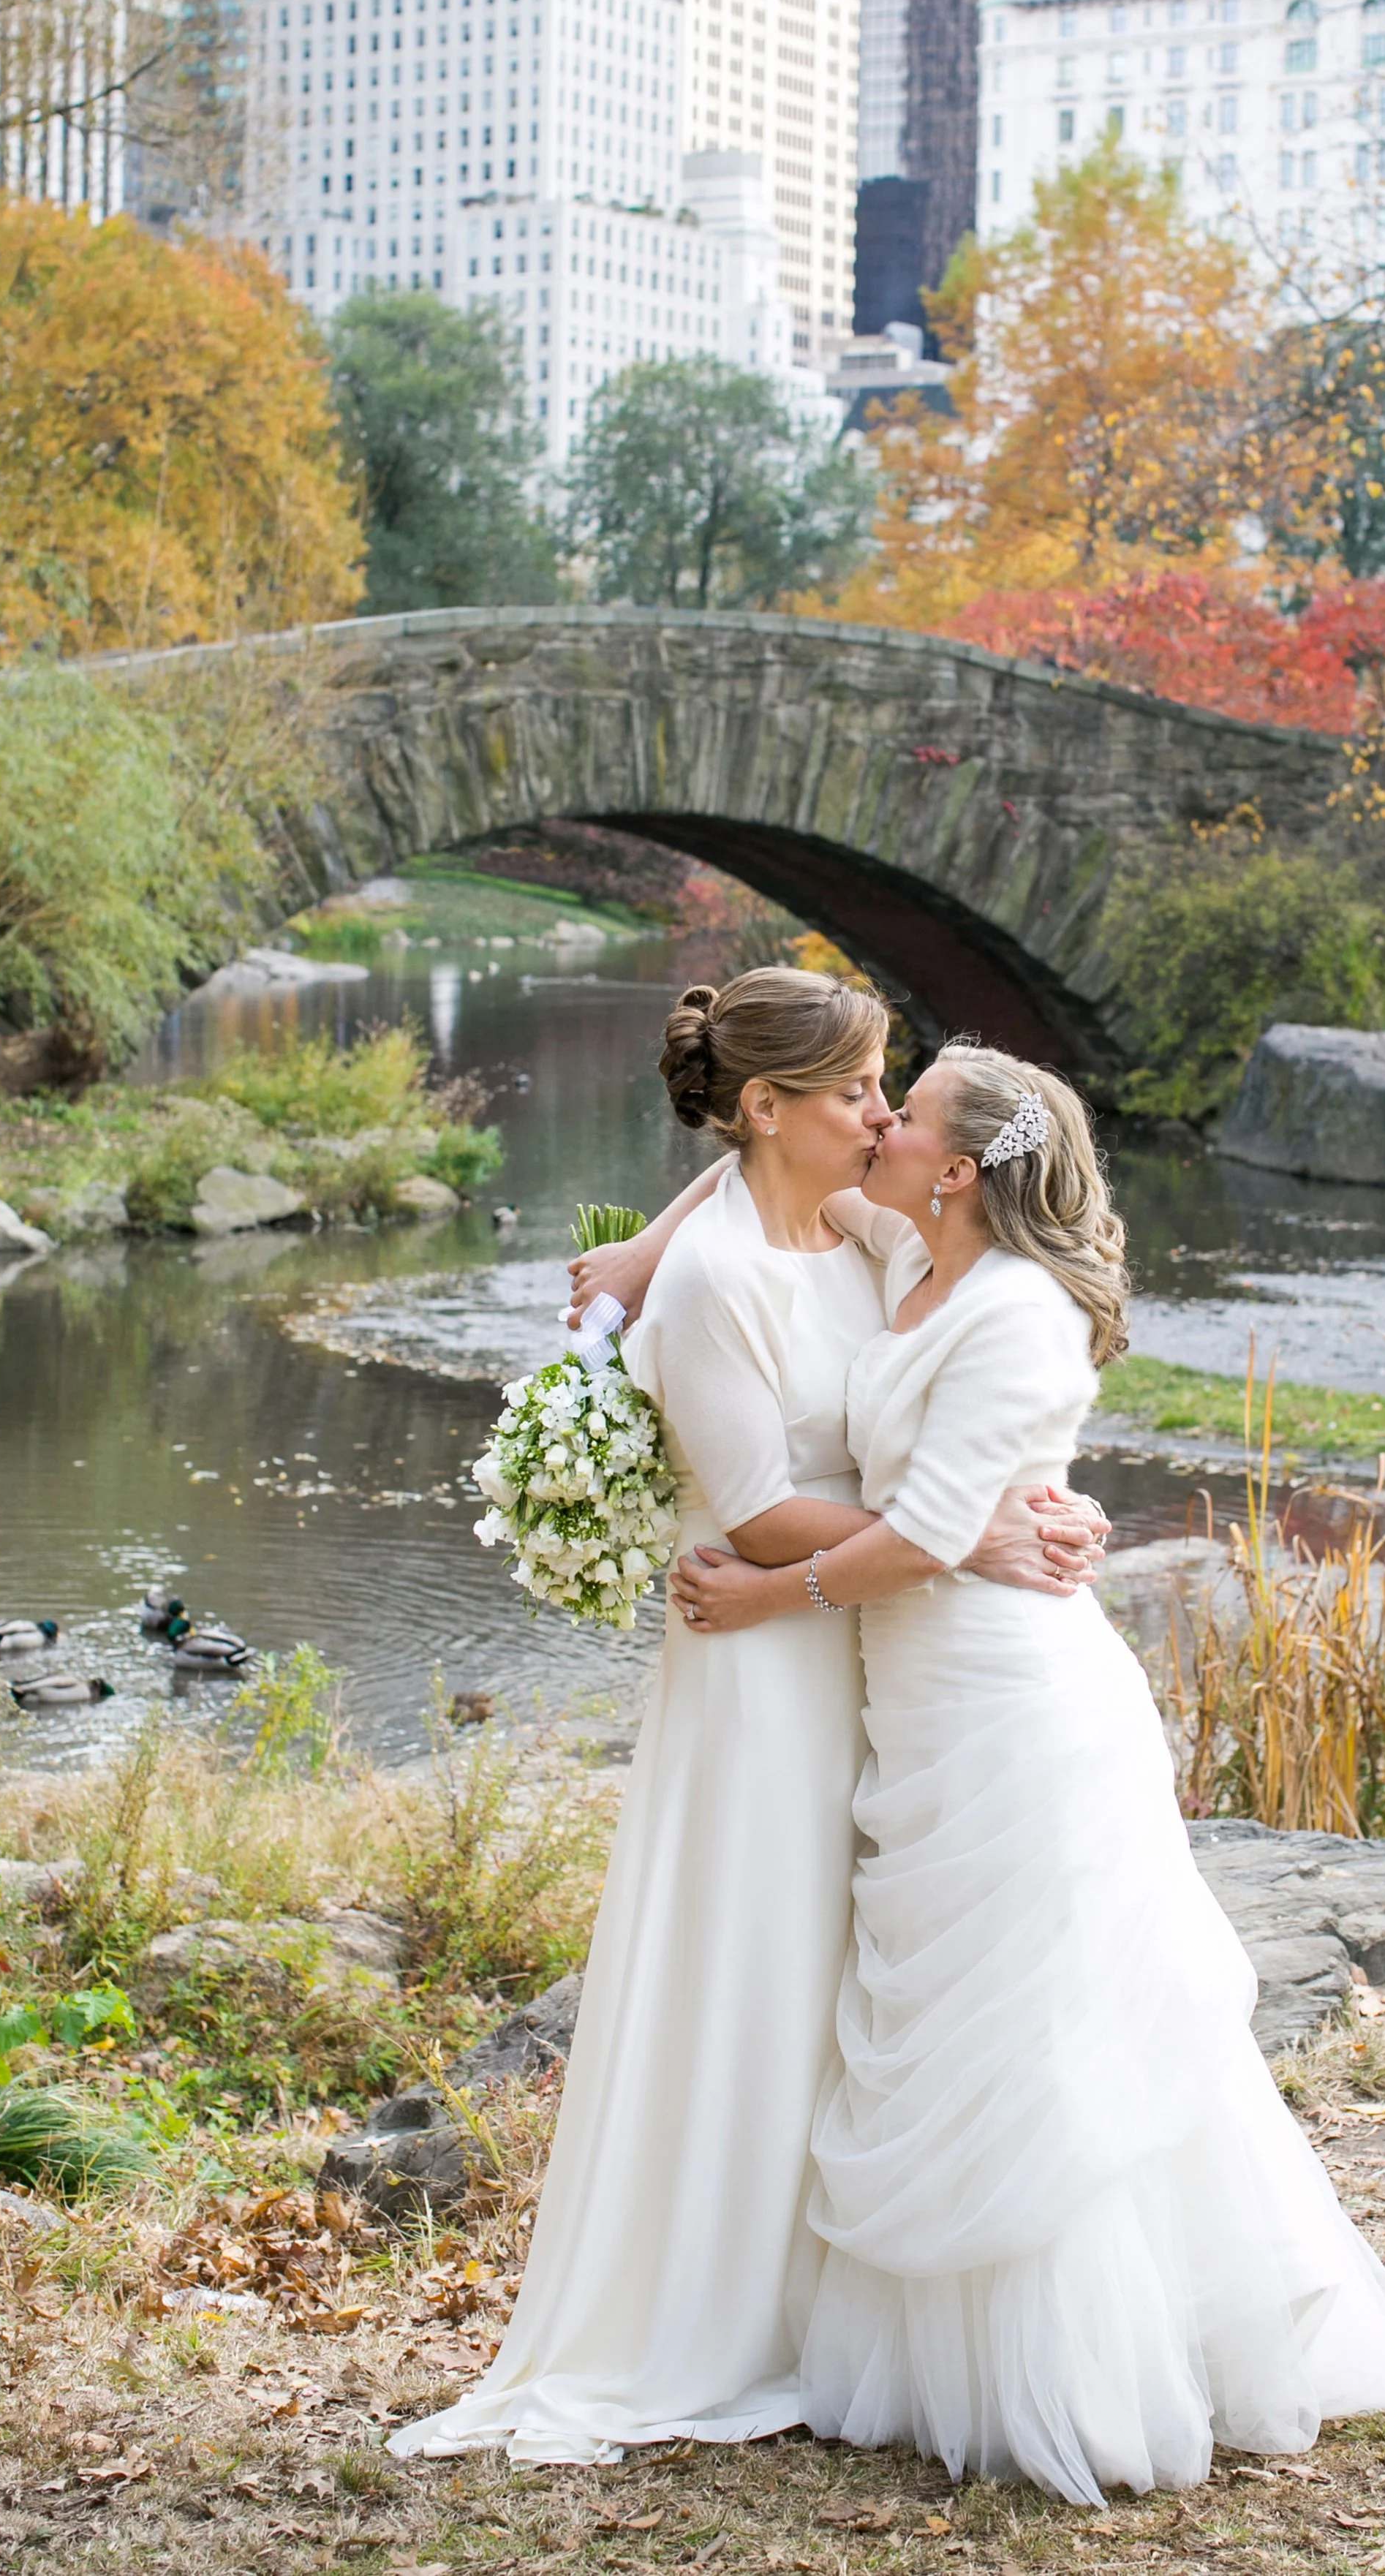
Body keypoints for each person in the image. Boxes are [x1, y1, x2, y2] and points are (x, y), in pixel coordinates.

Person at [672, 1043, 1385, 2505]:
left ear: (958, 1167)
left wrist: (767, 1594)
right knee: (947, 2003)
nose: (877, 1125)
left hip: (1014, 1702)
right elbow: (742, 1185)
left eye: (902, 1115)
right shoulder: (906, 1250)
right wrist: (627, 1257)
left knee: (1037, 2027)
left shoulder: (1018, 1314)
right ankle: (937, 2360)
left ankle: (1083, 2373)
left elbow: (923, 1529)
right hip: (919, 1698)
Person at [391, 971, 1103, 2469]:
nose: (878, 1115)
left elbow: (954, 1352)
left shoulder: (845, 1223)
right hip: (763, 1653)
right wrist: (959, 1533)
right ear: (778, 1102)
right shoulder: (717, 1280)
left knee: (844, 1967)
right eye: (858, 1090)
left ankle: (840, 2306)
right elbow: (765, 1510)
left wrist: (1015, 1494)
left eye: (887, 1093)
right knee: (759, 1959)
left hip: (869, 1648)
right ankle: (723, 2313)